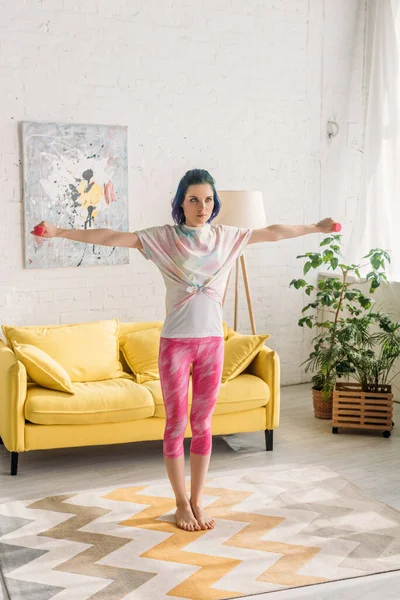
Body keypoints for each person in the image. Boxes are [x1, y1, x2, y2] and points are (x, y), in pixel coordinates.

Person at [32, 168, 336, 532]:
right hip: (175, 345)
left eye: (208, 199)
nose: (202, 206)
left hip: (212, 345)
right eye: (193, 199)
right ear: (180, 203)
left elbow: (274, 233)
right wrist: (60, 232)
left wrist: (316, 228)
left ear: (215, 203)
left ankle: (197, 500)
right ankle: (179, 502)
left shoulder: (228, 238)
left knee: (203, 425)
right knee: (176, 425)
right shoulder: (164, 239)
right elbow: (112, 237)